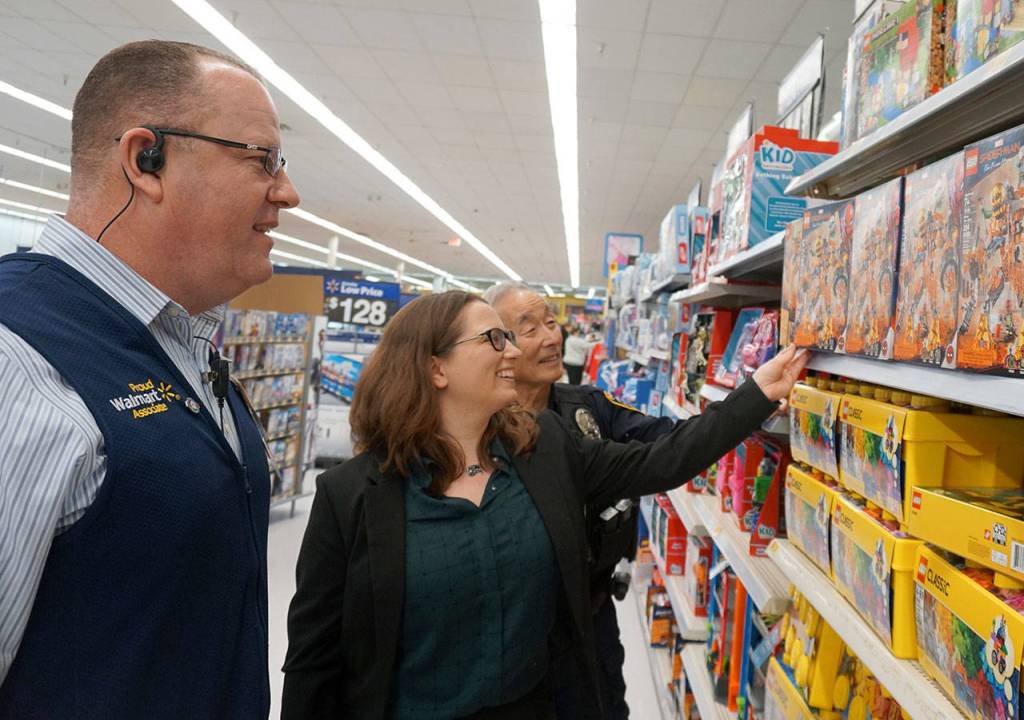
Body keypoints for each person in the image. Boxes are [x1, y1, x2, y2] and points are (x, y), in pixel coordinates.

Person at [281, 291, 806, 719]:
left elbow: (662, 460)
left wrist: (756, 394)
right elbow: (314, 661)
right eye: (494, 338)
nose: (512, 351)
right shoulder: (351, 496)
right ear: (435, 367)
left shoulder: (547, 446)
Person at [0, 40, 300, 718]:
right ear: (147, 160)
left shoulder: (186, 347)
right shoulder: (16, 358)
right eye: (263, 160)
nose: (287, 191)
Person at [485, 282, 775, 718]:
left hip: (592, 612)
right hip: (517, 628)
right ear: (500, 347)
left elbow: (670, 446)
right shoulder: (481, 431)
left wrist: (754, 396)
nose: (551, 337)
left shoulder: (588, 409)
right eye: (529, 329)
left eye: (551, 321)